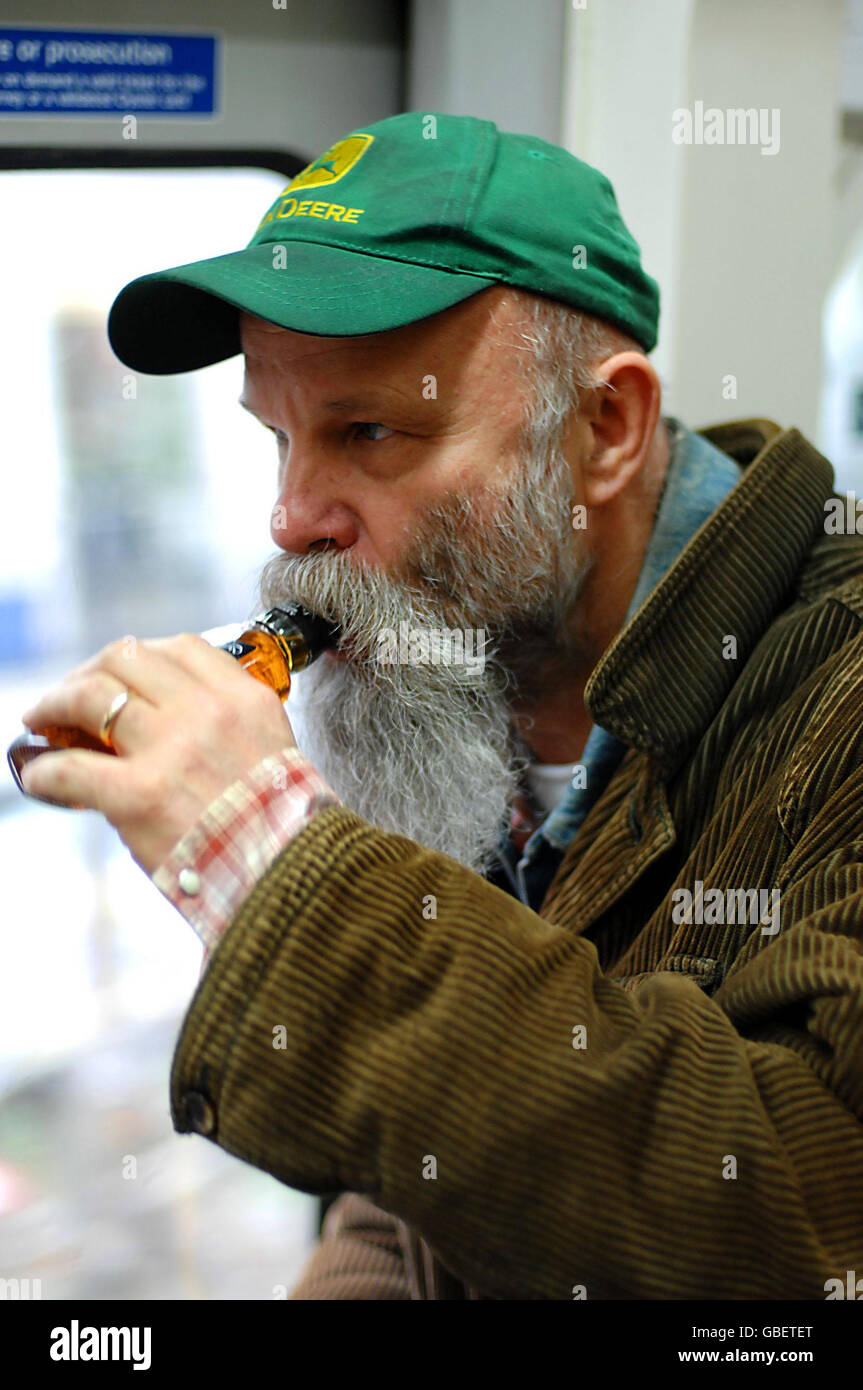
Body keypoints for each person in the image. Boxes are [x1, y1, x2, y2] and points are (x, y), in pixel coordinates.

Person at [20, 111, 863, 1300]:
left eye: (369, 431)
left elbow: (800, 1216)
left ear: (603, 431)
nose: (292, 517)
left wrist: (279, 867)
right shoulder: (470, 663)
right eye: (280, 439)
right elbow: (438, 1166)